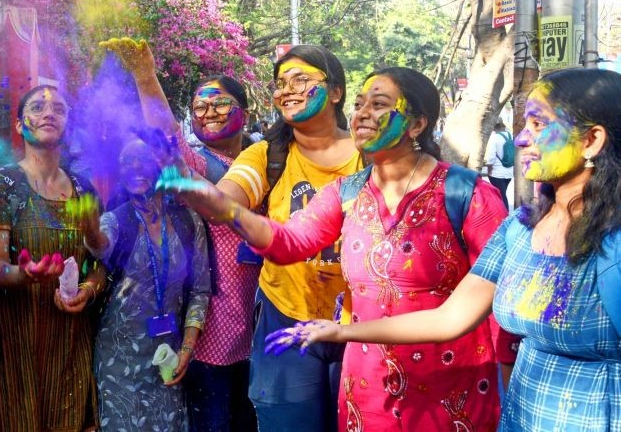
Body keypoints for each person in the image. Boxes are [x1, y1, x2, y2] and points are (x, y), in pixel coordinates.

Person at [263, 68, 620, 431]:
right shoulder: (520, 229)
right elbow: (451, 317)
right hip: (522, 415)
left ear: (591, 140)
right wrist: (340, 332)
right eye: (524, 124)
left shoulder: (612, 243)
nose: (522, 139)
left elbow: (493, 328)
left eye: (539, 125)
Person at [169, 67, 511, 430]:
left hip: (451, 394)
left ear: (416, 125)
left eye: (379, 104)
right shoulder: (346, 192)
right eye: (360, 103)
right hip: (369, 392)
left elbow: (498, 309)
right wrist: (226, 209)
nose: (362, 112)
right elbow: (289, 243)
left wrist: (510, 386)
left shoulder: (468, 196)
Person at [154, 43, 363, 430]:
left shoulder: (369, 156)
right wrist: (195, 190)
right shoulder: (267, 155)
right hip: (286, 318)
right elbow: (229, 199)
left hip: (361, 321)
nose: (287, 90)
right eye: (280, 83)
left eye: (301, 79)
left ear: (335, 91)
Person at [101, 37, 260, 431]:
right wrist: (146, 77)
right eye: (200, 107)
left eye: (220, 103)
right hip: (210, 330)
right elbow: (169, 139)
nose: (208, 113)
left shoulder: (263, 158)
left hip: (259, 322)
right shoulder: (195, 162)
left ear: (245, 109)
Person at [0, 85, 104, 432]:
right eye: (37, 107)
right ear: (19, 125)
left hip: (70, 343)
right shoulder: (1, 184)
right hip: (16, 346)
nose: (49, 113)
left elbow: (98, 262)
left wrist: (88, 290)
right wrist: (25, 274)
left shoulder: (84, 188)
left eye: (59, 110)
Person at [81, 137, 211, 432]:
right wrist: (89, 229)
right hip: (118, 362)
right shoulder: (116, 219)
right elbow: (100, 245)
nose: (136, 168)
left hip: (168, 357)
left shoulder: (187, 221)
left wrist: (187, 349)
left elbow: (200, 291)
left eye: (145, 159)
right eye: (128, 161)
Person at [485, 120, 513, 209]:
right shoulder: (511, 136)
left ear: (494, 128)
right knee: (502, 193)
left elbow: (491, 157)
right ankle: (503, 214)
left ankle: (505, 216)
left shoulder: (494, 138)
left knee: (501, 195)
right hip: (509, 172)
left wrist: (489, 171)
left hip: (496, 173)